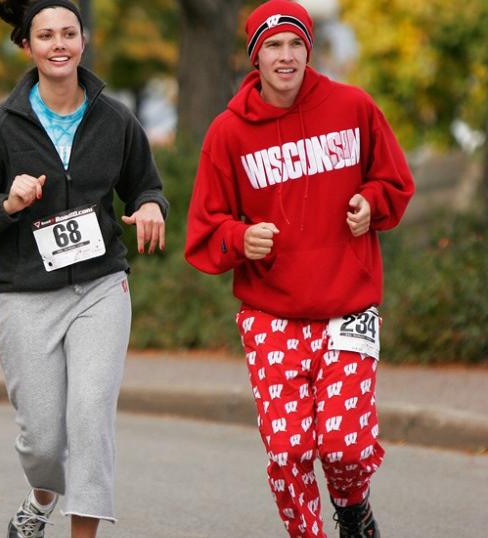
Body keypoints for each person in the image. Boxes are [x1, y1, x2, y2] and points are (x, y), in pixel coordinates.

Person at [184, 2, 414, 537]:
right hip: (271, 315)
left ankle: (354, 508)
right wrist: (242, 238)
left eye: (295, 45)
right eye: (273, 46)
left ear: (308, 50)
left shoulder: (353, 107)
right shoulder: (228, 134)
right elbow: (204, 231)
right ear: (255, 56)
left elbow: (396, 183)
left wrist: (370, 202)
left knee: (347, 446)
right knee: (287, 451)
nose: (285, 57)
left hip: (348, 306)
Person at [0, 1, 167, 536]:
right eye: (46, 35)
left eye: (69, 33)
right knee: (44, 441)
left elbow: (146, 183)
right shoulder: (0, 127)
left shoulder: (115, 118)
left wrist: (152, 207)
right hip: (27, 295)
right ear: (27, 46)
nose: (59, 44)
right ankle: (44, 491)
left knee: (91, 420)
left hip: (100, 288)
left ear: (84, 41)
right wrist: (9, 204)